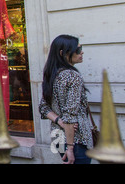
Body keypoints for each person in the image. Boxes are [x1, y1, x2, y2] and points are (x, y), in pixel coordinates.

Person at [39, 34, 93, 164]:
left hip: (58, 137)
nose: (82, 52)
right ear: (63, 53)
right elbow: (70, 115)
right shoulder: (73, 76)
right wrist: (70, 147)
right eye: (78, 50)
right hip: (76, 140)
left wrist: (59, 121)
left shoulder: (52, 74)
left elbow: (43, 107)